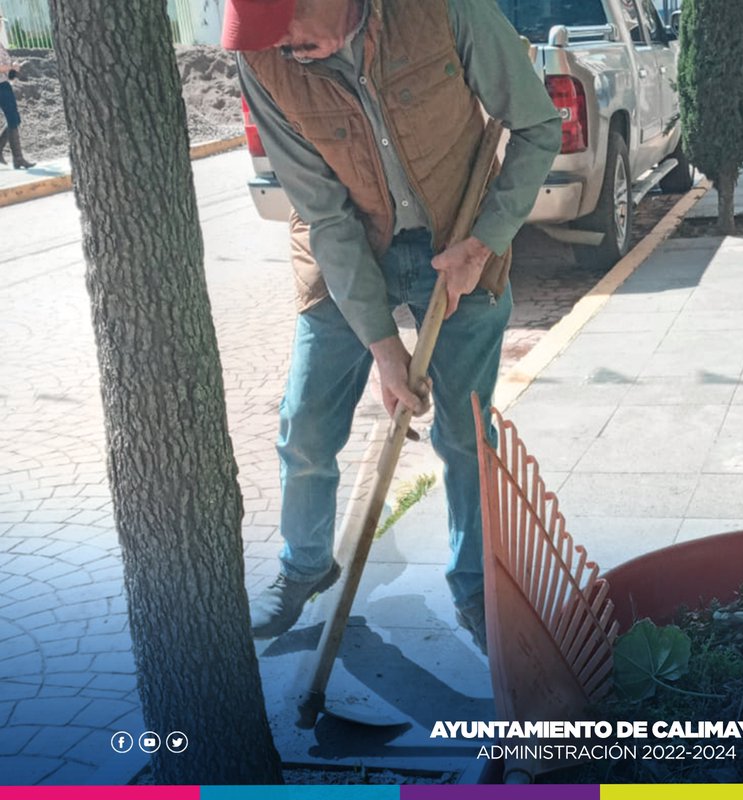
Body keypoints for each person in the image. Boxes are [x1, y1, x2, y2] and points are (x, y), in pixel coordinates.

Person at [223, 0, 561, 652]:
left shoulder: (441, 10)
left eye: (285, 26)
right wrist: (382, 347)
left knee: (466, 434)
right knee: (307, 425)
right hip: (345, 250)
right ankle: (304, 566)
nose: (279, 47)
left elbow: (537, 126)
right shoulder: (262, 63)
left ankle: (474, 584)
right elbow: (324, 215)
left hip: (459, 241)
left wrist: (485, 242)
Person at [0, 30, 36, 169]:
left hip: (4, 84)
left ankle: (16, 157)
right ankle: (18, 158)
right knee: (13, 118)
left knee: (13, 118)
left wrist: (13, 68)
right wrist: (11, 66)